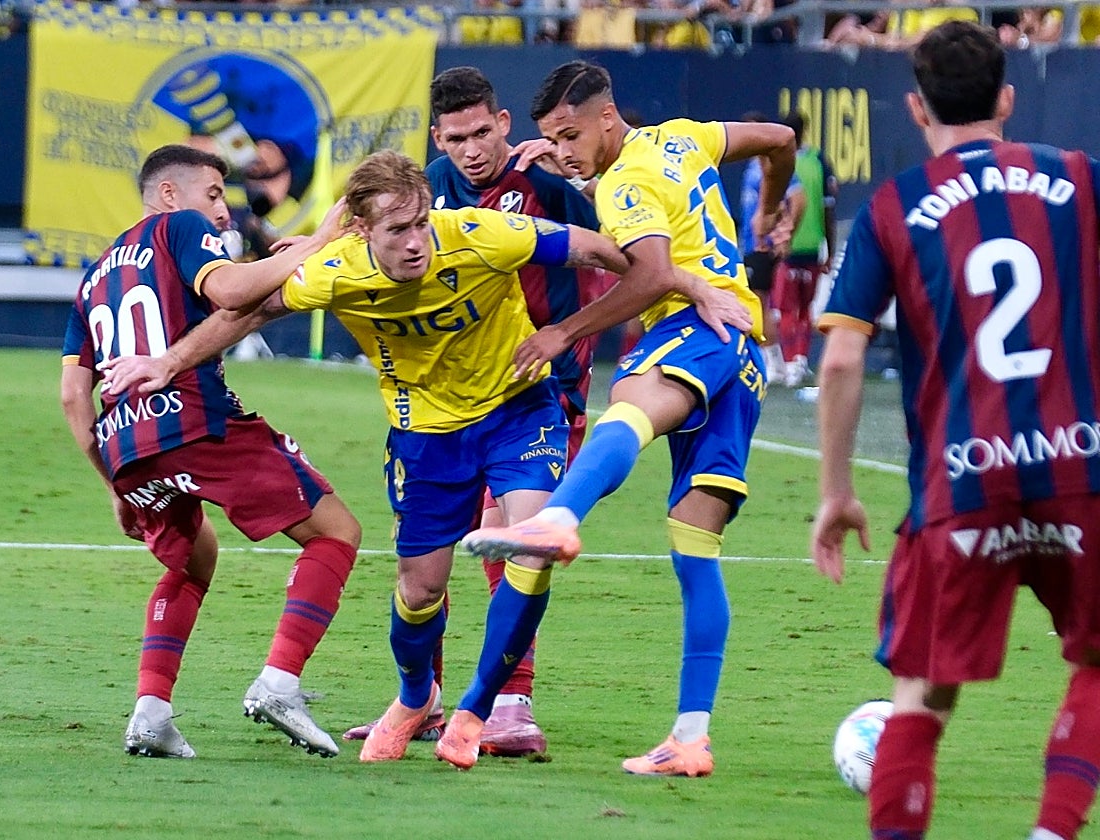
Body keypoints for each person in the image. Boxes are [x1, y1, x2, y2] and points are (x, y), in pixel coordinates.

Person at [101, 149, 749, 771]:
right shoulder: (338, 269)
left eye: (420, 222)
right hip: (428, 441)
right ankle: (418, 699)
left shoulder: (480, 233)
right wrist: (168, 363)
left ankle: (479, 712)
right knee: (420, 591)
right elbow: (250, 310)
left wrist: (684, 285)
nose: (416, 241)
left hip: (518, 413)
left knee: (529, 545)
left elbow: (601, 251)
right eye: (398, 230)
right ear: (362, 231)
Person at [462, 59, 796, 778]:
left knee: (629, 408)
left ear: (608, 118)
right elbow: (780, 136)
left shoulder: (627, 182)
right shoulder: (682, 139)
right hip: (744, 356)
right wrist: (768, 210)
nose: (564, 150)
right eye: (552, 138)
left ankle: (557, 519)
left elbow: (647, 273)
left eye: (571, 134)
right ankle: (690, 739)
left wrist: (561, 332)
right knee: (694, 551)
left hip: (696, 326)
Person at [811, 21, 1100, 840]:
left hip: (961, 481)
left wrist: (836, 493)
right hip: (1080, 468)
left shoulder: (894, 207)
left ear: (914, 105)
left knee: (923, 696)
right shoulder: (1079, 178)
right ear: (1007, 97)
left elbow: (837, 361)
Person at [340, 65, 617, 757]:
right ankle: (423, 700)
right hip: (441, 401)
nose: (471, 149)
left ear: (503, 124)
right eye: (456, 137)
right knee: (426, 558)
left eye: (481, 132)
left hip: (538, 390)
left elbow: (622, 246)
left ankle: (509, 701)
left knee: (508, 534)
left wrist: (581, 186)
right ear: (440, 137)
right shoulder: (422, 190)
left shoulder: (548, 182)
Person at [61, 144, 361, 760]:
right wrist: (322, 241)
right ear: (169, 195)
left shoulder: (93, 277)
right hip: (194, 422)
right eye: (214, 195)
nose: (223, 211)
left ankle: (151, 713)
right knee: (337, 532)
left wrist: (113, 486)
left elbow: (72, 398)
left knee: (193, 561)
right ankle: (279, 682)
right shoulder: (179, 227)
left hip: (127, 449)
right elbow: (230, 291)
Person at [739, 112, 805, 386]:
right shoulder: (753, 166)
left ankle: (774, 362)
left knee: (759, 303)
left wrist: (784, 234)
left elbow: (798, 199)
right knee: (756, 302)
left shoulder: (772, 166)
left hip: (763, 246)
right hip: (750, 243)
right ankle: (773, 361)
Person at [774, 110, 837, 388]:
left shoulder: (779, 160)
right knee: (804, 309)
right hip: (813, 244)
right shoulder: (818, 160)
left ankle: (789, 363)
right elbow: (828, 208)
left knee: (787, 308)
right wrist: (830, 248)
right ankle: (800, 359)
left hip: (786, 246)